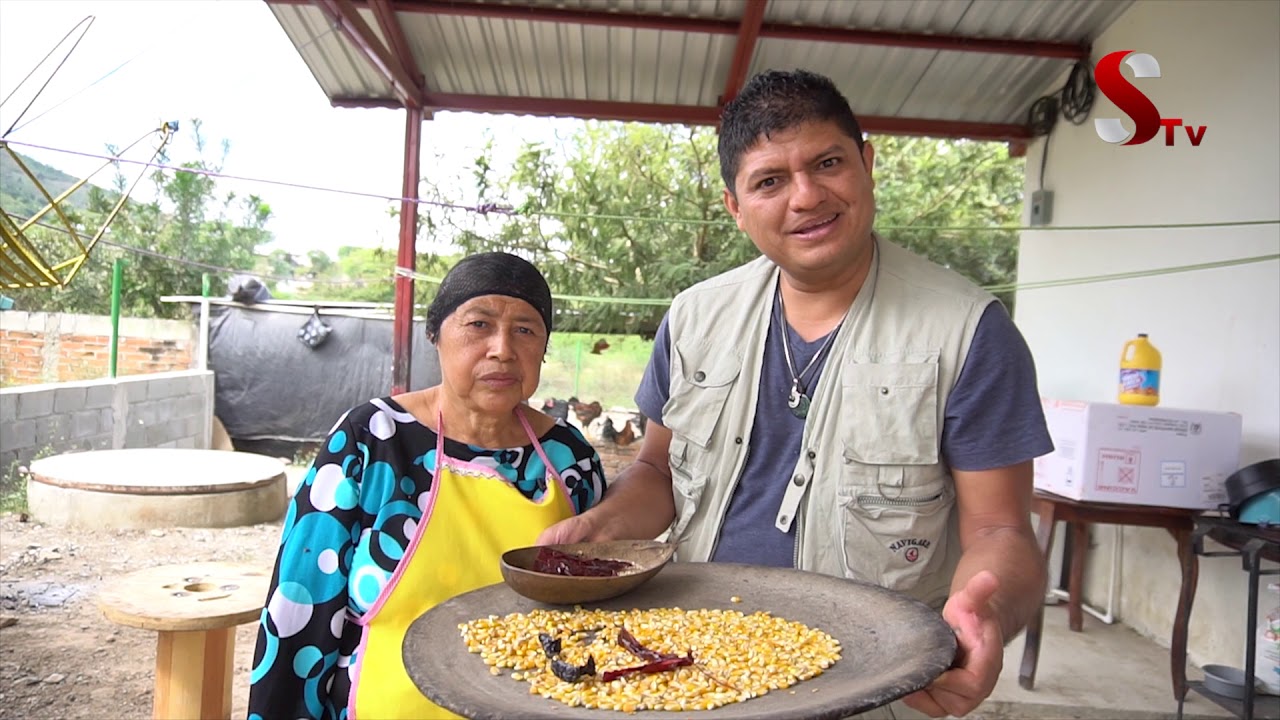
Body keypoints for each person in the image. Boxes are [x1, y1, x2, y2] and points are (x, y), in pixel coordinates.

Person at [537, 69, 1053, 719]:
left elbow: (1002, 529)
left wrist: (986, 608)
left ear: (866, 164)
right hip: (691, 666)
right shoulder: (695, 318)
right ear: (735, 205)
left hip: (874, 681)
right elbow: (656, 470)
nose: (806, 196)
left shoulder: (967, 331)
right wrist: (597, 529)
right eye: (770, 181)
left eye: (828, 162)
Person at [248, 252, 607, 720]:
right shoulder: (372, 439)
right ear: (435, 335)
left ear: (543, 347)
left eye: (525, 329)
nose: (502, 348)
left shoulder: (569, 457)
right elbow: (300, 606)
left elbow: (601, 611)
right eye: (479, 324)